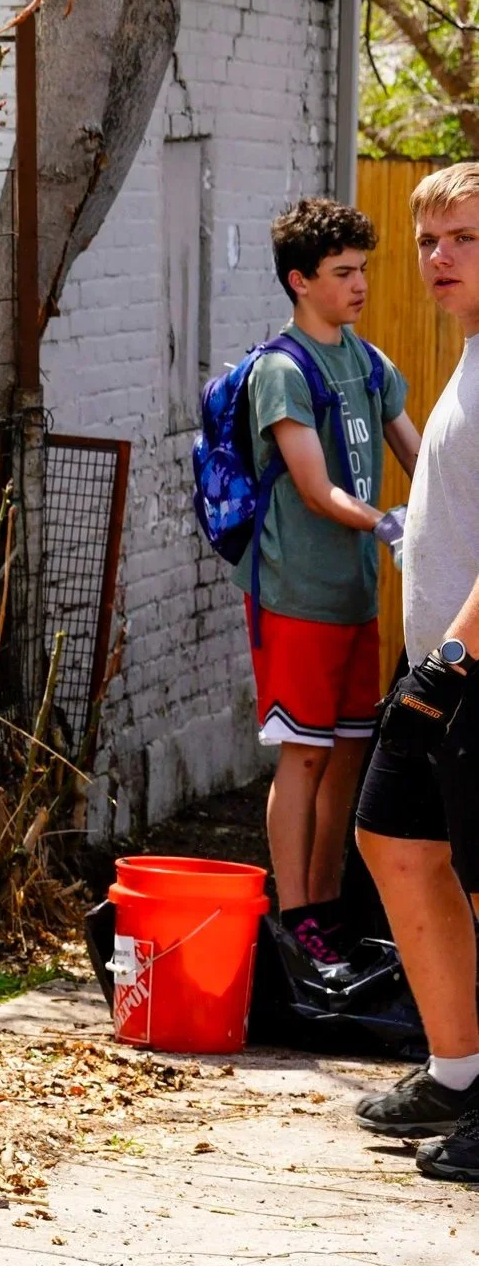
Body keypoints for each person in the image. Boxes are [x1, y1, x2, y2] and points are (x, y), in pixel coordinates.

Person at [240, 198, 416, 962]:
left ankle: (329, 903)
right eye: (343, 273)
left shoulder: (370, 363)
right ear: (299, 280)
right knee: (303, 754)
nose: (359, 285)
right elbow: (314, 488)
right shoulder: (283, 369)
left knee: (349, 751)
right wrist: (385, 523)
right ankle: (295, 913)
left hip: (353, 595)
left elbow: (421, 454)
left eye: (363, 270)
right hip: (296, 594)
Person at [352, 162, 479, 1176]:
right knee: (393, 834)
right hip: (444, 662)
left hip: (466, 667)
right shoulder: (468, 353)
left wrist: (445, 666)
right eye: (429, 239)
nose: (438, 257)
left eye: (463, 238)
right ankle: (460, 1067)